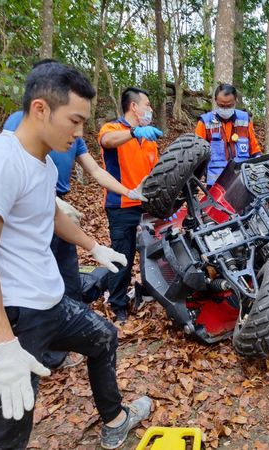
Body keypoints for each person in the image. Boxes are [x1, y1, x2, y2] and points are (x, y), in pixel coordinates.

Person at [0, 62, 152, 450]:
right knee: (3, 439)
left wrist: (93, 246)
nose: (80, 133)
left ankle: (114, 421)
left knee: (103, 338)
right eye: (75, 121)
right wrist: (3, 345)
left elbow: (51, 212)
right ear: (41, 109)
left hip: (49, 304)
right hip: (9, 318)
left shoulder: (42, 162)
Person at [2, 60, 145, 368]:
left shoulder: (73, 137)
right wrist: (47, 199)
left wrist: (126, 191)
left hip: (58, 208)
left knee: (67, 279)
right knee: (38, 280)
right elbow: (16, 164)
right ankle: (39, 352)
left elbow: (94, 170)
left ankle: (64, 344)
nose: (79, 130)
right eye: (75, 119)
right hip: (33, 210)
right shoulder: (16, 126)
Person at [98, 87, 162, 323]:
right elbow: (107, 141)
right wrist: (134, 132)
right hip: (121, 204)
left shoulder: (148, 137)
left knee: (153, 251)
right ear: (133, 106)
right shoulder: (113, 128)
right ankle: (118, 305)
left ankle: (150, 291)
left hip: (148, 204)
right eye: (147, 104)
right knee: (122, 255)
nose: (150, 109)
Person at [195, 83, 262, 186]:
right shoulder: (205, 122)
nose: (225, 109)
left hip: (242, 180)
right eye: (221, 106)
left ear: (235, 101)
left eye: (229, 105)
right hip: (215, 183)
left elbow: (254, 149)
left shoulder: (244, 119)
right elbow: (196, 153)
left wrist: (259, 161)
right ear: (216, 101)